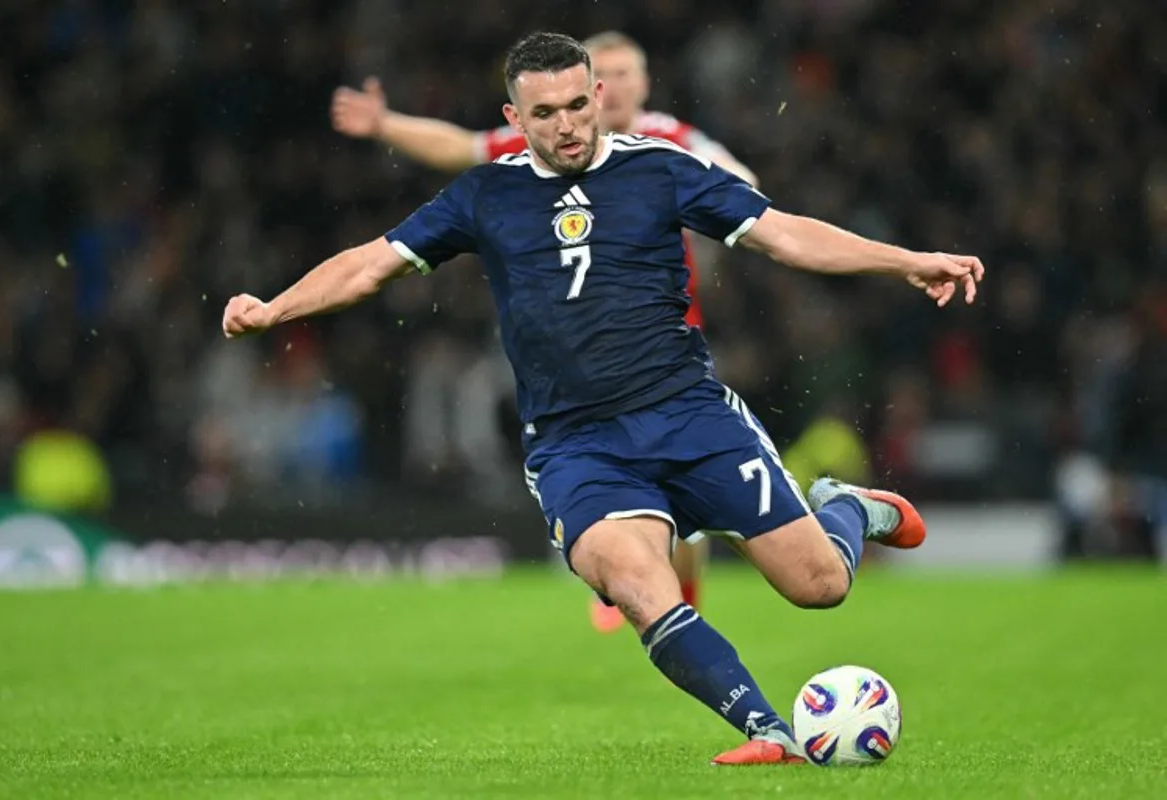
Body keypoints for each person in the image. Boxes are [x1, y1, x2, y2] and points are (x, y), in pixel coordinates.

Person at [226, 32, 983, 765]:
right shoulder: (485, 193)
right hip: (576, 445)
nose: (566, 125)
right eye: (544, 114)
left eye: (577, 105)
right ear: (515, 121)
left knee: (819, 587)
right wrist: (273, 309)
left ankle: (848, 506)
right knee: (636, 583)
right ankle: (771, 731)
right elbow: (369, 265)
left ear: (598, 96)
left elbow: (783, 235)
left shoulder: (662, 168)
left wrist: (906, 261)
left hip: (690, 415)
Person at [330, 31, 758, 633]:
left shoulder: (673, 141)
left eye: (623, 72)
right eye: (603, 67)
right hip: (573, 338)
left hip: (663, 337)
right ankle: (637, 571)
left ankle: (675, 579)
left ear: (633, 84)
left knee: (681, 471)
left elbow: (744, 186)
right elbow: (462, 147)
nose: (612, 86)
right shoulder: (545, 142)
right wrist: (386, 124)